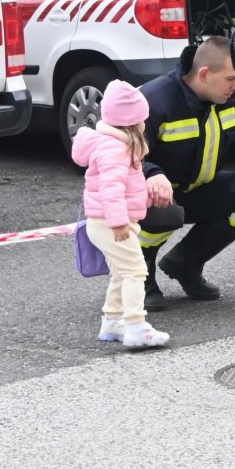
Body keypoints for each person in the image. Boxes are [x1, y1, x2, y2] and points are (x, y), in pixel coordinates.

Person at [137, 36, 235, 310]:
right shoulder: (154, 100)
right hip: (151, 194)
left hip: (197, 188)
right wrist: (152, 174)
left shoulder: (232, 101)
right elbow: (128, 156)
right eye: (231, 79)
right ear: (204, 74)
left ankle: (185, 263)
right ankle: (140, 276)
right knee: (165, 209)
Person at [71, 80, 170, 349]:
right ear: (131, 122)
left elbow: (124, 186)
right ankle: (136, 326)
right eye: (142, 120)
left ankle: (112, 322)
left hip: (105, 221)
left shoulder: (116, 146)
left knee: (120, 273)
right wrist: (118, 222)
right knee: (136, 271)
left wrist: (144, 196)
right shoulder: (115, 149)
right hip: (110, 222)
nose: (144, 125)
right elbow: (110, 189)